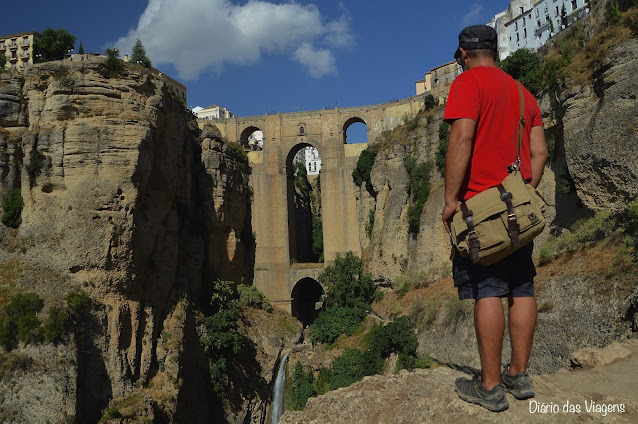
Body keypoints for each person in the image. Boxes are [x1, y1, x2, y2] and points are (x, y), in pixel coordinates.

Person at [441, 25, 548, 412]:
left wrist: (452, 200)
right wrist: (524, 191)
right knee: (522, 285)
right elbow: (539, 154)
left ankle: (489, 387)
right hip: (518, 207)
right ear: (495, 51)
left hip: (479, 211)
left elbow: (462, 139)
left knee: (487, 288)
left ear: (463, 54)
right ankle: (518, 375)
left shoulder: (468, 84)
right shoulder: (523, 94)